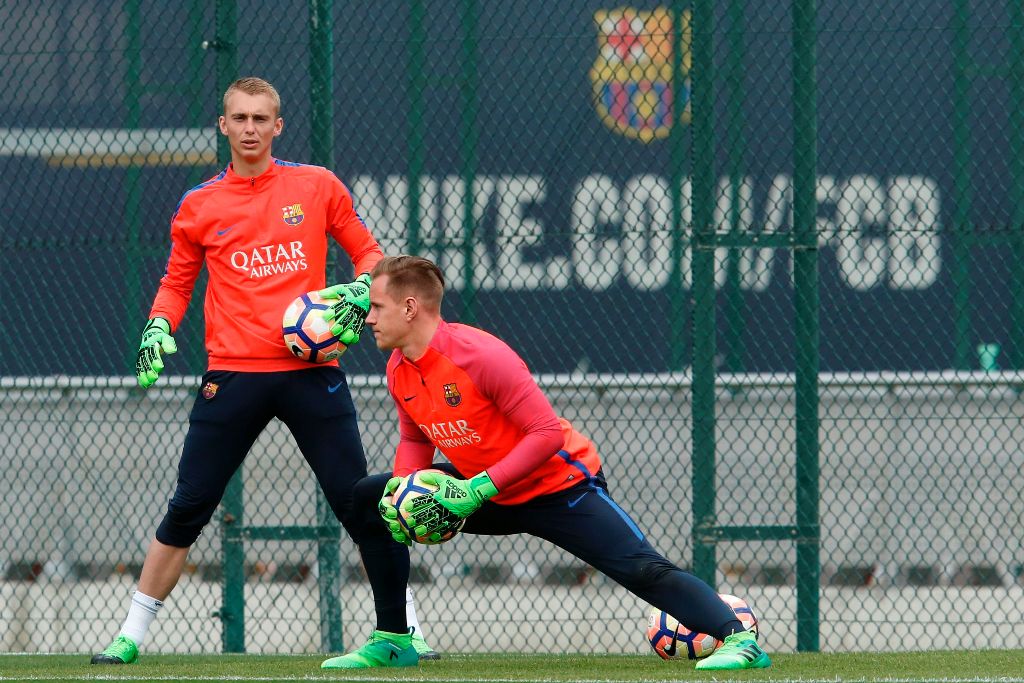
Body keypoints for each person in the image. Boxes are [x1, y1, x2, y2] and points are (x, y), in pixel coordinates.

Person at [91, 77, 436, 667]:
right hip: (232, 375)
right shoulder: (199, 204)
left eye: (261, 118)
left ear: (278, 126)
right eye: (239, 118)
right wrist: (157, 327)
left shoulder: (316, 186)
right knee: (189, 505)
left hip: (312, 372)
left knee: (362, 504)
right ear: (221, 126)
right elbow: (176, 284)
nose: (250, 128)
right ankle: (129, 636)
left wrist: (360, 290)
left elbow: (371, 253)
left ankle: (404, 628)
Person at [345, 254, 771, 671]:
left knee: (642, 569)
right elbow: (414, 435)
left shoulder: (480, 355)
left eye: (377, 307)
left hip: (557, 486)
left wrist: (475, 490)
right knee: (370, 498)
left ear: (410, 307)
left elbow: (546, 434)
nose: (368, 318)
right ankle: (394, 640)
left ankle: (740, 639)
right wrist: (405, 488)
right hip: (484, 491)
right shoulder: (399, 366)